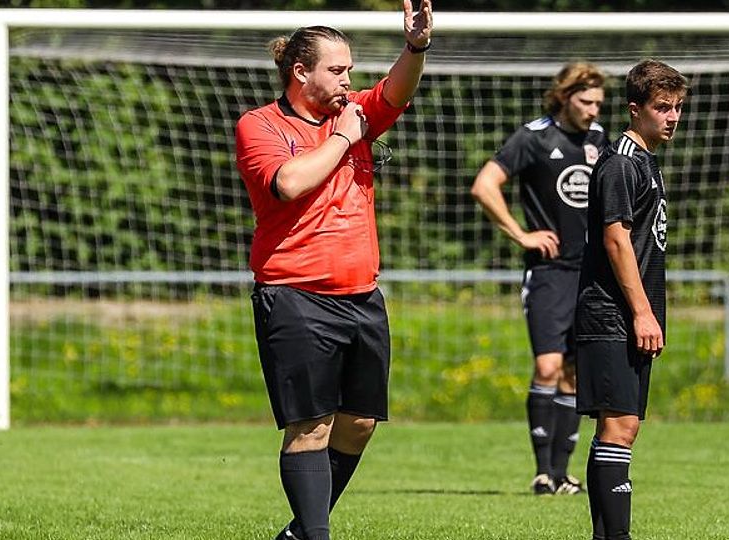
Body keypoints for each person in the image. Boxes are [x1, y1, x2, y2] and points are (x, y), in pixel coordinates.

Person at [234, 2, 432, 539]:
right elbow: (288, 183)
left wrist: (415, 47)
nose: (348, 80)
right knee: (310, 426)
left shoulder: (354, 113)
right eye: (337, 70)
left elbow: (397, 91)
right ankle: (316, 533)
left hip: (362, 296)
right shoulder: (260, 124)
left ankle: (300, 532)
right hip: (295, 294)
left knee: (359, 423)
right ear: (301, 72)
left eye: (350, 70)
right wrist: (344, 137)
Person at [471, 62, 609, 496]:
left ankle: (563, 475)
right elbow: (484, 185)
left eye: (599, 103)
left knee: (573, 372)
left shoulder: (600, 140)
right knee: (547, 365)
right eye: (585, 102)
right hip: (550, 271)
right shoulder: (534, 137)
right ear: (564, 97)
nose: (593, 110)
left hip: (592, 274)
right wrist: (521, 234)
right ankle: (542, 472)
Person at [574, 60, 687, 539]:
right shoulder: (620, 162)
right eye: (663, 107)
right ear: (635, 109)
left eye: (677, 107)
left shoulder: (646, 160)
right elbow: (616, 240)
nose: (672, 117)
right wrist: (642, 312)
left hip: (629, 315)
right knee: (618, 428)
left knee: (621, 430)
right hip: (611, 314)